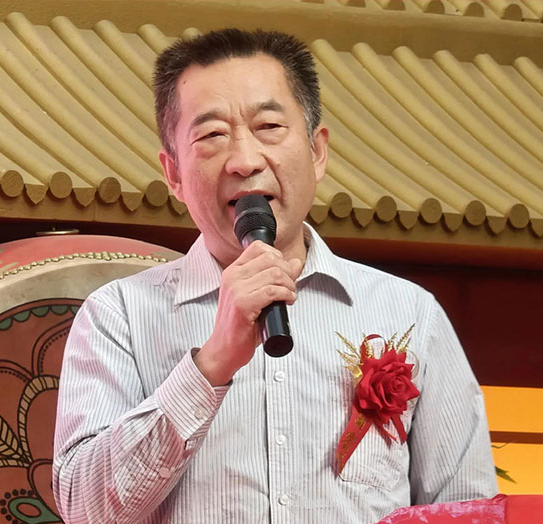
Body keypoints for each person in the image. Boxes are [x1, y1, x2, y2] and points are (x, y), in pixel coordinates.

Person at [53, 29, 497, 523]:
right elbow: (84, 511)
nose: (245, 161)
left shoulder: (409, 313)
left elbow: (469, 512)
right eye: (212, 135)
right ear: (173, 173)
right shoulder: (119, 315)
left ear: (317, 151)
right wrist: (212, 363)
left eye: (268, 126)